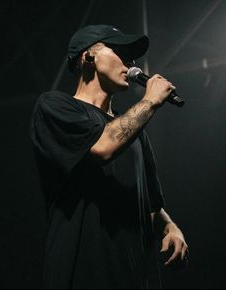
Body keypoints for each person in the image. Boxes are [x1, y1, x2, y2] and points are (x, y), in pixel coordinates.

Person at [30, 24, 189, 289]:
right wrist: (149, 101)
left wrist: (170, 226)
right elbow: (102, 146)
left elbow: (150, 204)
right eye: (121, 52)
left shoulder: (136, 132)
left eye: (133, 56)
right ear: (88, 57)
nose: (131, 62)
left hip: (135, 276)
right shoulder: (54, 107)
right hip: (82, 273)